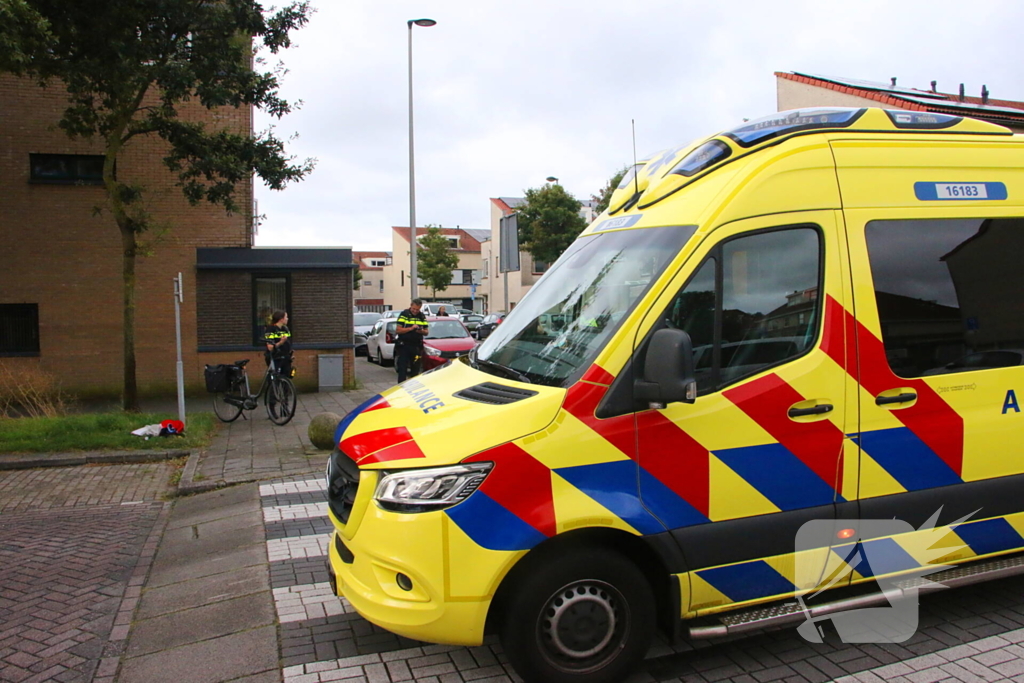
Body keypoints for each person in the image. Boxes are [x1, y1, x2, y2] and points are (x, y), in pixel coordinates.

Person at [395, 298, 428, 382]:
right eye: (414, 309)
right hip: (404, 346)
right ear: (411, 306)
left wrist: (421, 331)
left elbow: (427, 332)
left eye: (417, 309)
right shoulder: (404, 314)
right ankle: (401, 388)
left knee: (416, 369)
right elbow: (398, 330)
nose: (415, 311)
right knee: (403, 369)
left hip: (416, 346)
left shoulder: (421, 316)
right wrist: (411, 328)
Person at [264, 310, 294, 378]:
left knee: (287, 376)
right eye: (286, 317)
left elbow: (287, 343)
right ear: (281, 319)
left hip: (285, 357)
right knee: (275, 377)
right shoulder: (270, 329)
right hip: (275, 357)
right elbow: (270, 347)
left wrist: (289, 353)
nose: (287, 319)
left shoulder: (285, 329)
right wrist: (280, 342)